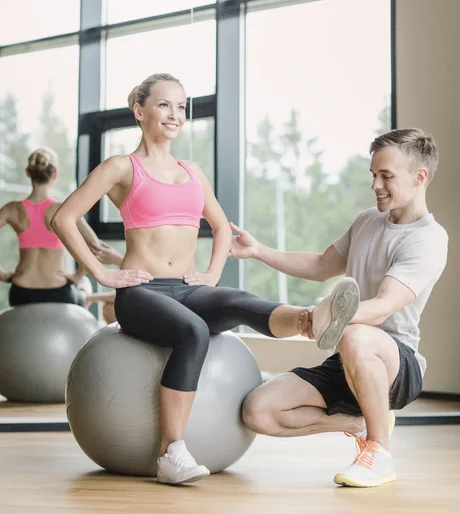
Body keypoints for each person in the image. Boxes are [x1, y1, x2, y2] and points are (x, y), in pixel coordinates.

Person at [51, 72, 360, 486]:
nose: (175, 115)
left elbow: (219, 227)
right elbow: (62, 217)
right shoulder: (121, 168)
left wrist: (212, 274)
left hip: (187, 287)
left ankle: (311, 320)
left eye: (181, 107)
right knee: (193, 332)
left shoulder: (192, 171)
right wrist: (103, 273)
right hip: (141, 292)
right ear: (139, 111)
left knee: (239, 300)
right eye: (164, 105)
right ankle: (170, 453)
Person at [231, 128, 449, 488]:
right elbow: (319, 265)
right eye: (373, 175)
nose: (376, 184)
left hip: (397, 362)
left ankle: (379, 451)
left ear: (419, 176)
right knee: (258, 410)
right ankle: (356, 422)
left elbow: (381, 308)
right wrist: (258, 251)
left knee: (356, 335)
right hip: (347, 356)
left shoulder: (428, 239)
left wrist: (328, 317)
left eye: (386, 176)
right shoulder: (367, 221)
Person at [0, 147, 108, 306]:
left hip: (21, 291)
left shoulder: (11, 209)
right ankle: (86, 297)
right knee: (84, 287)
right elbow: (96, 246)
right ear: (54, 174)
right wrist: (78, 276)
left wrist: (1, 274)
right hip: (58, 291)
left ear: (28, 173)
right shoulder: (62, 209)